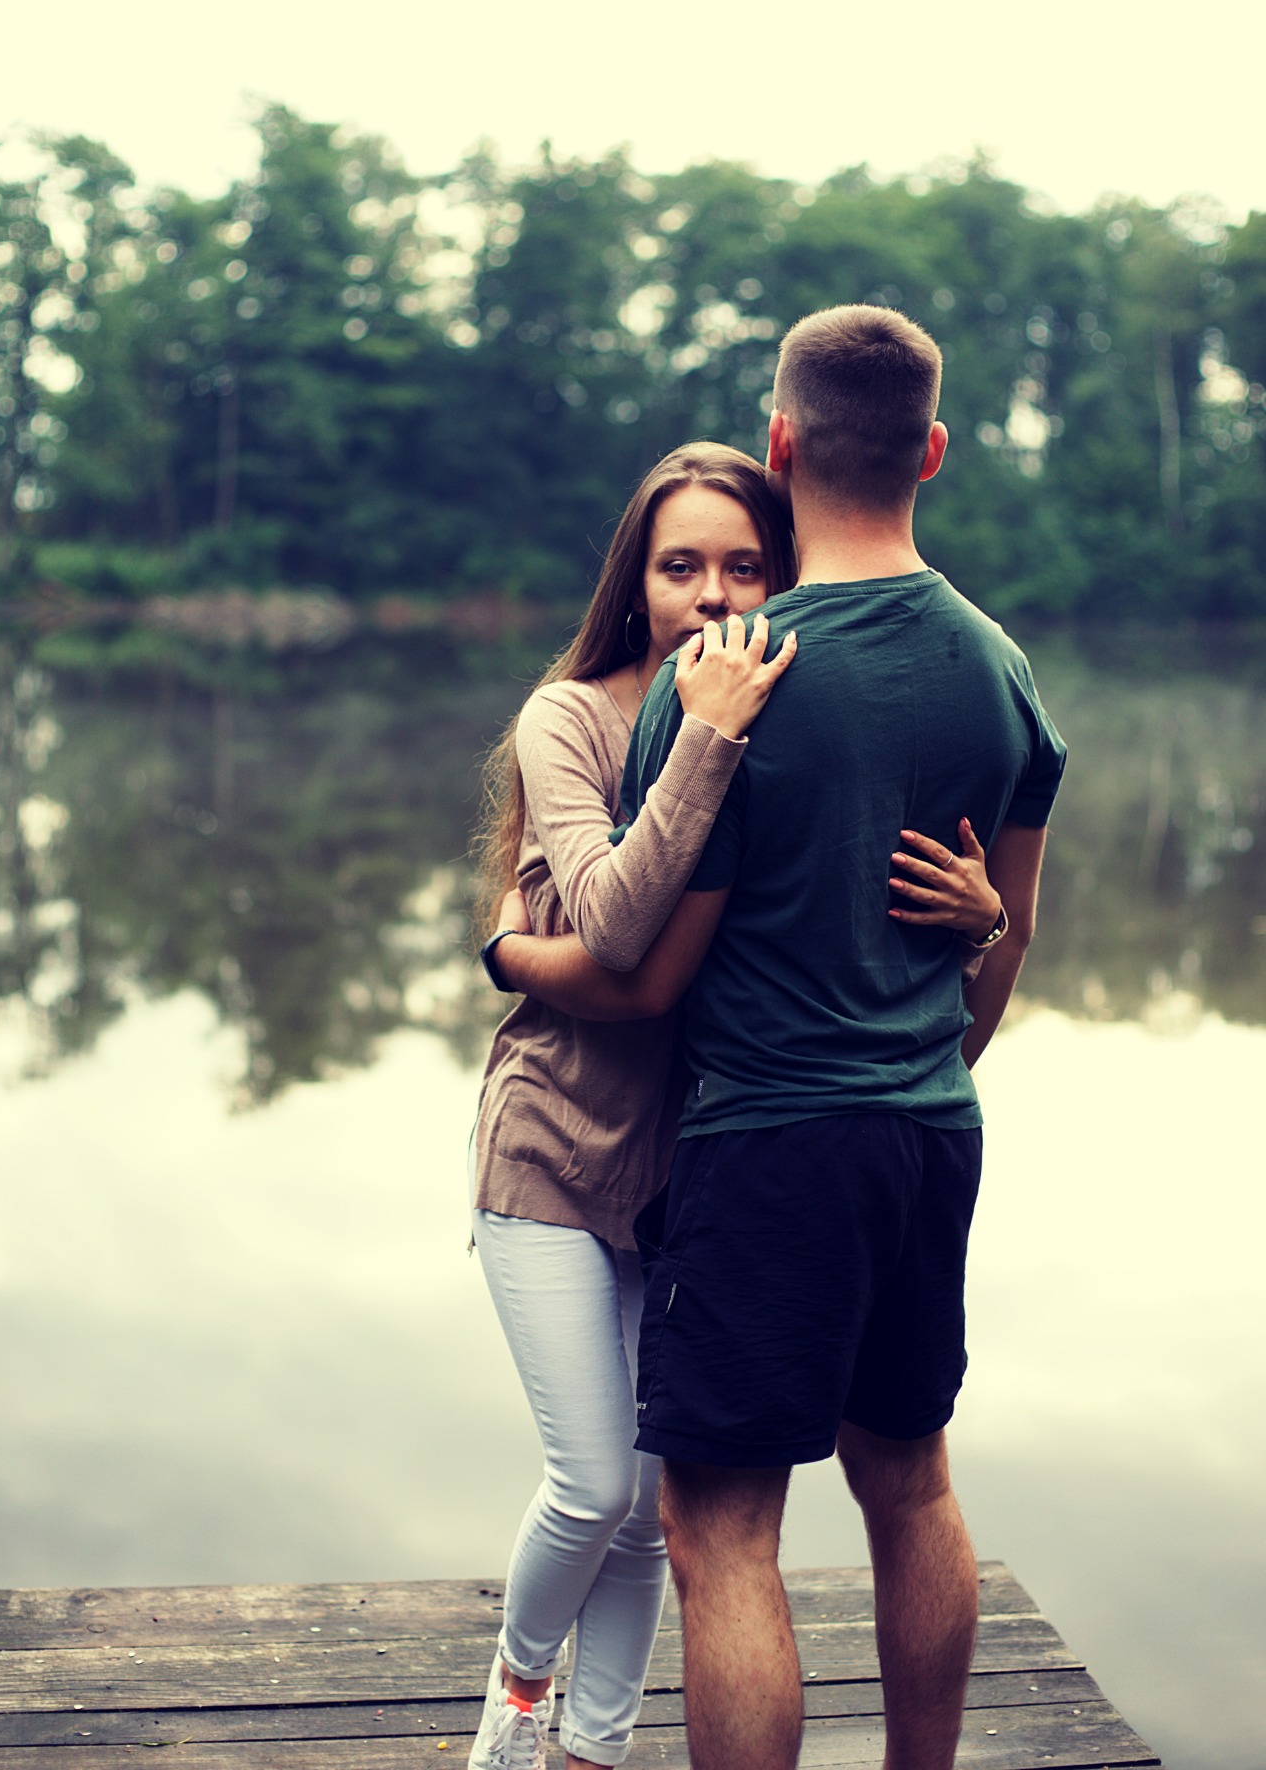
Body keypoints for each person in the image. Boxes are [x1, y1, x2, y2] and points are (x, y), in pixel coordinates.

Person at [488, 305, 1066, 1770]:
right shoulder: (1001, 670)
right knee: (913, 1487)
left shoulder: (732, 685)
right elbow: (1005, 946)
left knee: (723, 1533)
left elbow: (650, 969)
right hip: (930, 1130)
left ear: (781, 443)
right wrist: (926, 1039)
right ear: (933, 450)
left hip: (766, 1147)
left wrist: (506, 949)